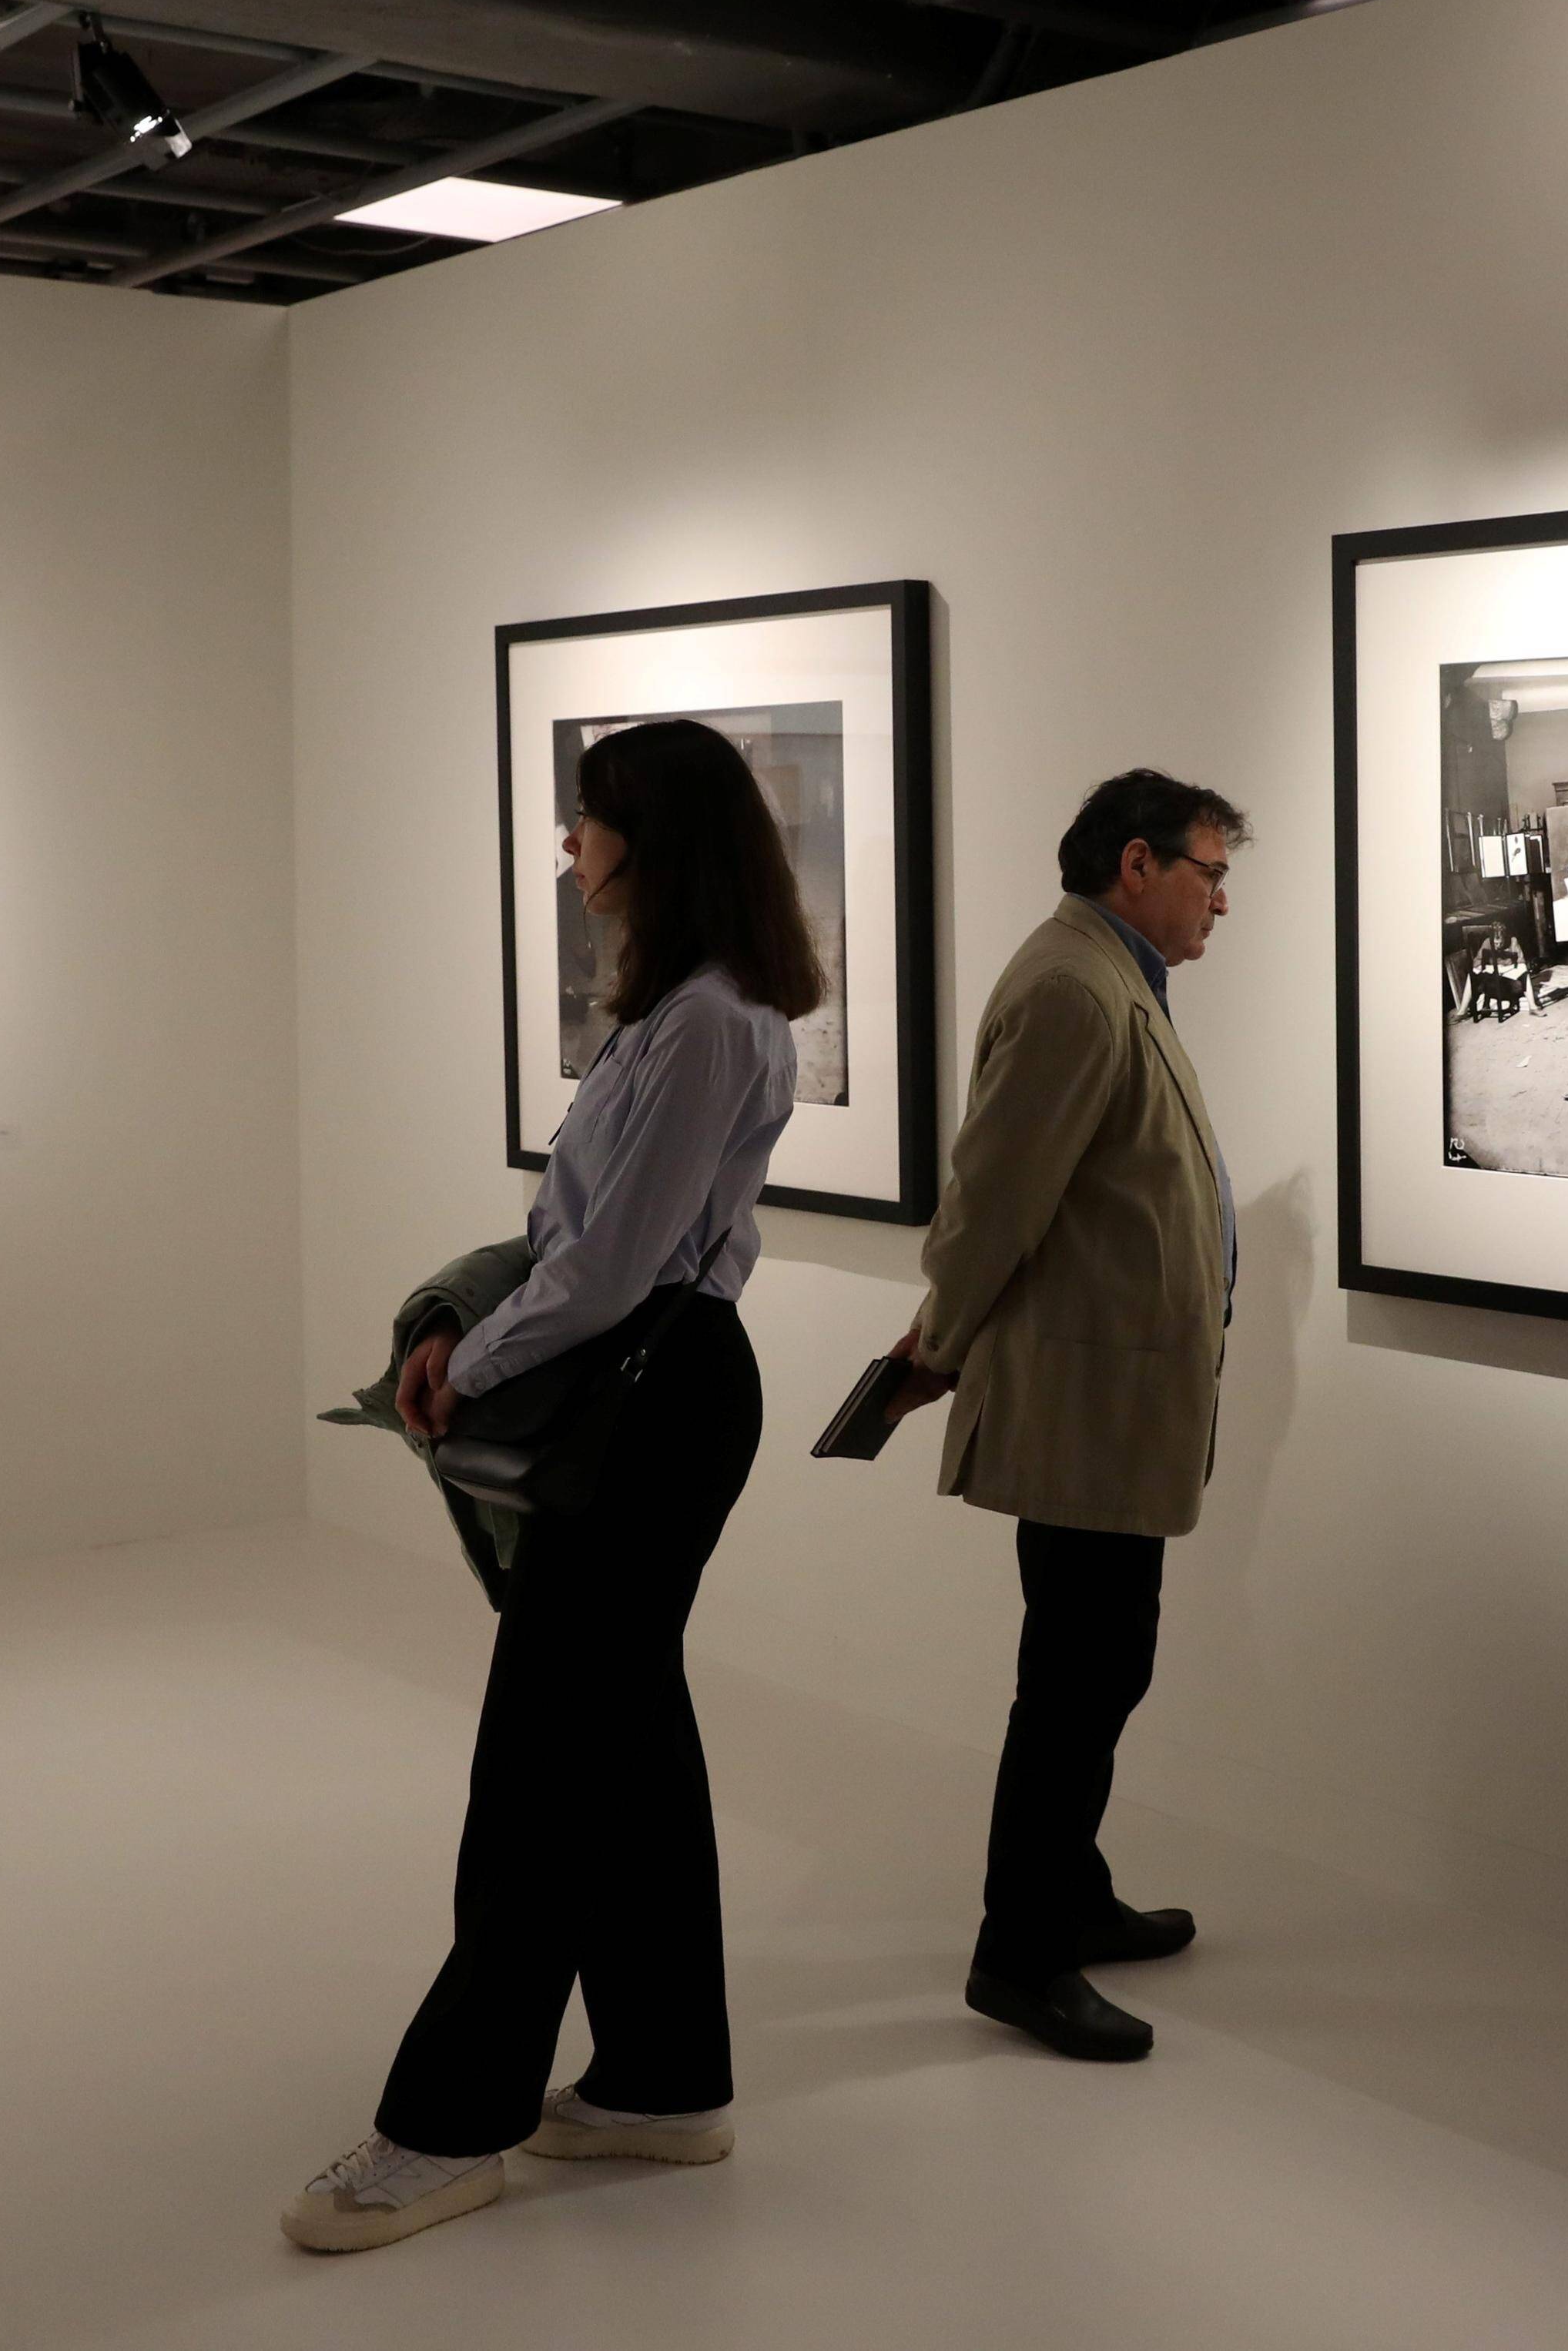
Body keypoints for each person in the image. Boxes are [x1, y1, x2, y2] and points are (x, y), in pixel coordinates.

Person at [285, 717, 820, 2255]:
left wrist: (471, 1360)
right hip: (648, 1386)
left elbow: (605, 1269)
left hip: (654, 1397)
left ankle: (448, 2124)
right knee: (626, 1742)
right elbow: (569, 1242)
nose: (570, 846)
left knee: (541, 1769)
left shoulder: (710, 1023)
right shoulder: (677, 1015)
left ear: (652, 840)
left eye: (588, 821)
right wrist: (465, 1325)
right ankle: (664, 2078)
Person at [886, 769, 1244, 2063]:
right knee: (1077, 1677)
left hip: (1115, 1394)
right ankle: (1022, 1951)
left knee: (1103, 1664)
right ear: (1136, 863)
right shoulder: (1072, 989)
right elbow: (992, 1198)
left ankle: (1070, 1894)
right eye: (1210, 873)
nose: (1220, 902)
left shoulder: (1108, 976)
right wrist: (941, 1335)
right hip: (1084, 1399)